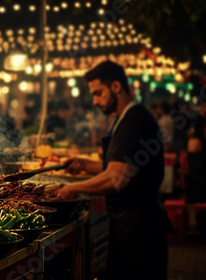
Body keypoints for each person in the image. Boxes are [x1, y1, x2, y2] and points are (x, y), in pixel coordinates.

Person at [45, 61, 170, 280]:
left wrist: (72, 189)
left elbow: (116, 179)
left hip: (140, 229)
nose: (95, 101)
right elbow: (120, 167)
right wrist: (85, 165)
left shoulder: (135, 120)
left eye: (98, 93)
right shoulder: (124, 118)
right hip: (130, 226)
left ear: (116, 86)